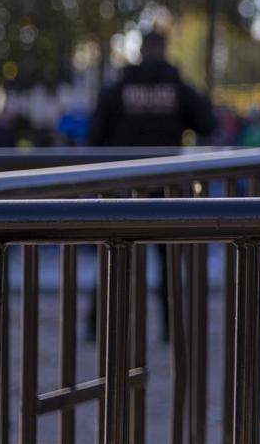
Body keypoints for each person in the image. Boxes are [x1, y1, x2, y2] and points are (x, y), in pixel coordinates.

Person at [88, 28, 217, 342]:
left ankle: (99, 324)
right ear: (163, 49)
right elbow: (208, 123)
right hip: (166, 182)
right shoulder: (177, 88)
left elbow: (95, 136)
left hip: (123, 183)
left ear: (142, 50)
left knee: (114, 254)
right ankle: (171, 328)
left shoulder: (119, 88)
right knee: (168, 260)